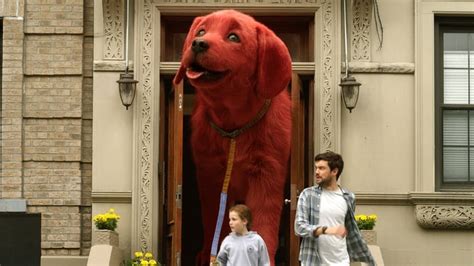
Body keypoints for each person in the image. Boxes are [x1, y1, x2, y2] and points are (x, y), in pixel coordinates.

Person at [294, 151, 375, 266]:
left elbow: (351, 229)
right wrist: (326, 230)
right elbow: (299, 227)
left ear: (334, 171)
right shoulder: (307, 195)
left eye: (321, 168)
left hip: (341, 261)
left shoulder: (349, 197)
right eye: (316, 168)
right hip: (314, 260)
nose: (317, 172)